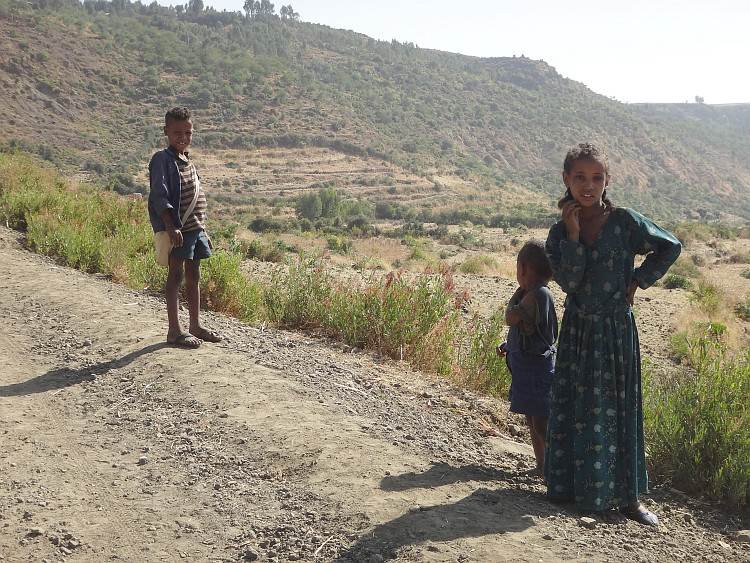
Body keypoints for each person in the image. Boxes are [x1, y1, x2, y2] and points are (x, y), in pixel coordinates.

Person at [545, 142, 681, 526]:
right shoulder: (557, 234)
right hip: (577, 330)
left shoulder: (625, 222)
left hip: (616, 330)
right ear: (566, 180)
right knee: (575, 405)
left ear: (608, 180)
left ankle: (629, 500)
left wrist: (638, 281)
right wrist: (573, 235)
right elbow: (570, 282)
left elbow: (670, 246)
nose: (588, 186)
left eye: (597, 178)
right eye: (580, 178)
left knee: (620, 410)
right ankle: (570, 489)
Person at [148, 107, 223, 348]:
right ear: (166, 131)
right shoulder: (162, 159)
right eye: (177, 132)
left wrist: (203, 230)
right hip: (179, 230)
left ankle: (195, 325)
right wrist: (170, 226)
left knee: (194, 275)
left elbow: (195, 198)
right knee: (176, 275)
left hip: (195, 229)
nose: (183, 137)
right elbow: (159, 195)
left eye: (188, 132)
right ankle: (174, 331)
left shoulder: (186, 160)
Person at [496, 239, 558, 478]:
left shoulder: (533, 295)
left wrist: (516, 294)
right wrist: (509, 345)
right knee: (532, 420)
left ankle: (554, 470)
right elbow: (526, 328)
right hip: (528, 365)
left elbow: (511, 318)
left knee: (541, 422)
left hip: (535, 368)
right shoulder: (536, 294)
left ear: (523, 269)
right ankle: (542, 466)